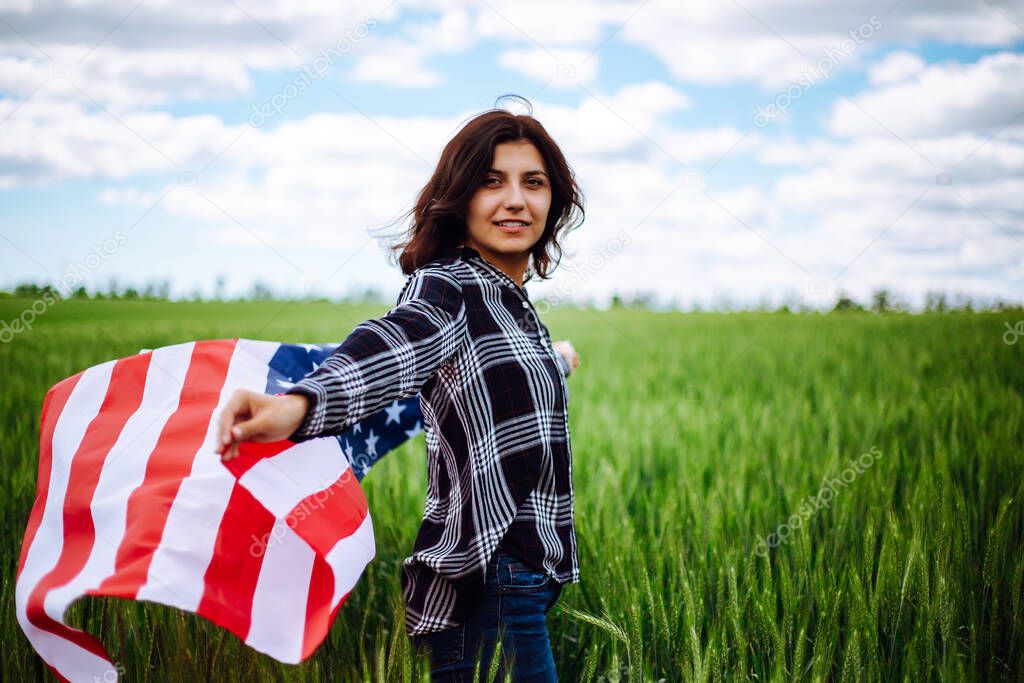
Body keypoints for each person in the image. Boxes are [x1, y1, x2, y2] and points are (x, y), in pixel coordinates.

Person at [218, 99, 585, 681]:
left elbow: (497, 393)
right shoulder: (449, 287)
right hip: (490, 589)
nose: (516, 199)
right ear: (460, 197)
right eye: (492, 182)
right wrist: (297, 405)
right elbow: (395, 347)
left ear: (552, 201)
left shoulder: (512, 308)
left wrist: (555, 360)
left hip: (527, 588)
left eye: (533, 183)